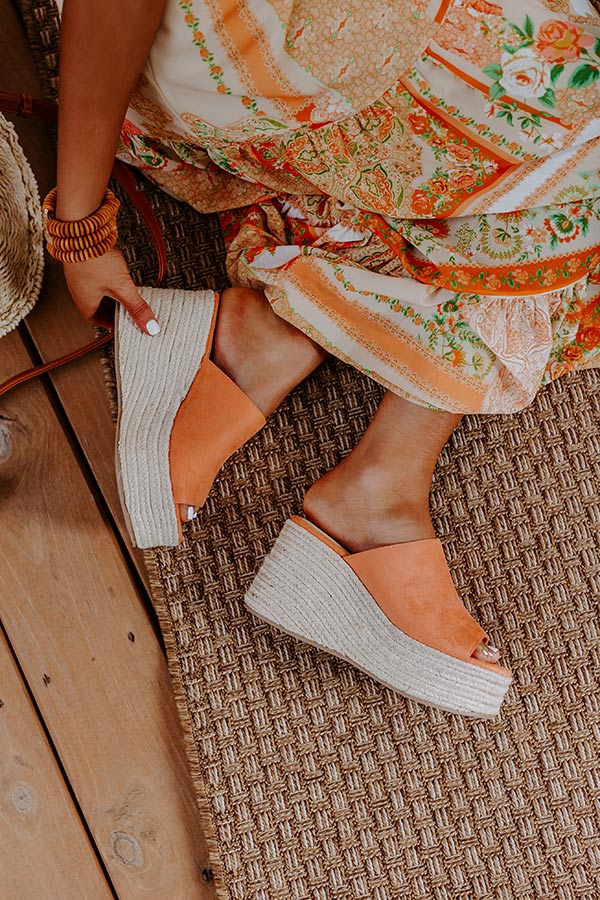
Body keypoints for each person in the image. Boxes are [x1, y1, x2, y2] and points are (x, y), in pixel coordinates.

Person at [49, 0, 600, 715]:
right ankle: (367, 484)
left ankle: (287, 351)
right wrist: (81, 229)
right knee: (572, 129)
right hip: (212, 48)